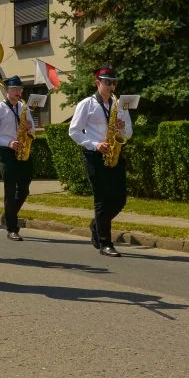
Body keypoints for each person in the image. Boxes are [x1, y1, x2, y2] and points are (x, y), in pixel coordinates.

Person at [68, 64, 134, 257]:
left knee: (120, 199)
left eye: (113, 83)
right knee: (102, 199)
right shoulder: (86, 104)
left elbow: (128, 133)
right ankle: (105, 243)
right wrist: (95, 145)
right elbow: (74, 131)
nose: (111, 87)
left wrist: (122, 128)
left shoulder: (119, 104)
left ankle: (97, 224)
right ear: (98, 83)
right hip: (95, 155)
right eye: (107, 83)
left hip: (114, 153)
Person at [0, 76, 35, 241]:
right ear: (7, 91)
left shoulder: (24, 108)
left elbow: (32, 131)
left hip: (22, 150)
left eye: (20, 89)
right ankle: (12, 228)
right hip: (6, 152)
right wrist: (9, 142)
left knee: (24, 189)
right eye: (15, 89)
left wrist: (29, 128)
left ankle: (8, 215)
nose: (18, 92)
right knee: (10, 189)